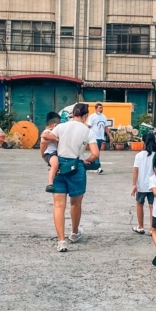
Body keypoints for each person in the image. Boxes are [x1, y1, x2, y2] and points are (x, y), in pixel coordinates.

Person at [41, 103, 98, 252]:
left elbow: (46, 136)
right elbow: (95, 154)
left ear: (73, 113)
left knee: (59, 205)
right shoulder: (88, 131)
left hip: (60, 165)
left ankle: (61, 241)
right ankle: (74, 233)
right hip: (76, 166)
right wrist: (88, 161)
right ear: (85, 116)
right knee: (76, 203)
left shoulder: (61, 127)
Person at [131, 132, 156, 234]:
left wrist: (134, 184)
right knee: (152, 206)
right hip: (153, 186)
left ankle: (140, 226)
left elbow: (136, 171)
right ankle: (152, 229)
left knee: (139, 204)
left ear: (144, 141)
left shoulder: (139, 156)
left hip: (141, 185)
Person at [86, 102, 111, 173]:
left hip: (100, 137)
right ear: (96, 109)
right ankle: (98, 167)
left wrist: (110, 136)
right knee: (96, 153)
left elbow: (106, 127)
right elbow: (88, 126)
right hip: (93, 137)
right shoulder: (92, 116)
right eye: (100, 108)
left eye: (102, 108)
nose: (101, 109)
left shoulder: (104, 117)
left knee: (96, 152)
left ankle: (92, 166)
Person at [41, 111, 61, 193]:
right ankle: (49, 183)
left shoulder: (53, 131)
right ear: (55, 124)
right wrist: (55, 139)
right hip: (50, 153)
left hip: (55, 152)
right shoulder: (47, 132)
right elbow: (43, 136)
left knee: (57, 166)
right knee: (55, 165)